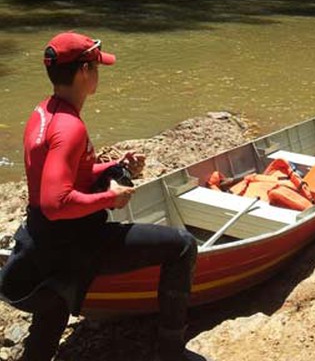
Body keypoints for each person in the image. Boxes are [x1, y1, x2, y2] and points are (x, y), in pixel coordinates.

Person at [0, 32, 210, 361]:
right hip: (76, 241)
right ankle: (170, 351)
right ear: (83, 71)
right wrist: (109, 199)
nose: (99, 73)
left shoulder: (43, 113)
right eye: (97, 67)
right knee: (182, 246)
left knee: (52, 309)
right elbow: (58, 204)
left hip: (42, 239)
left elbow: (63, 177)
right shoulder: (70, 129)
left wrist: (115, 166)